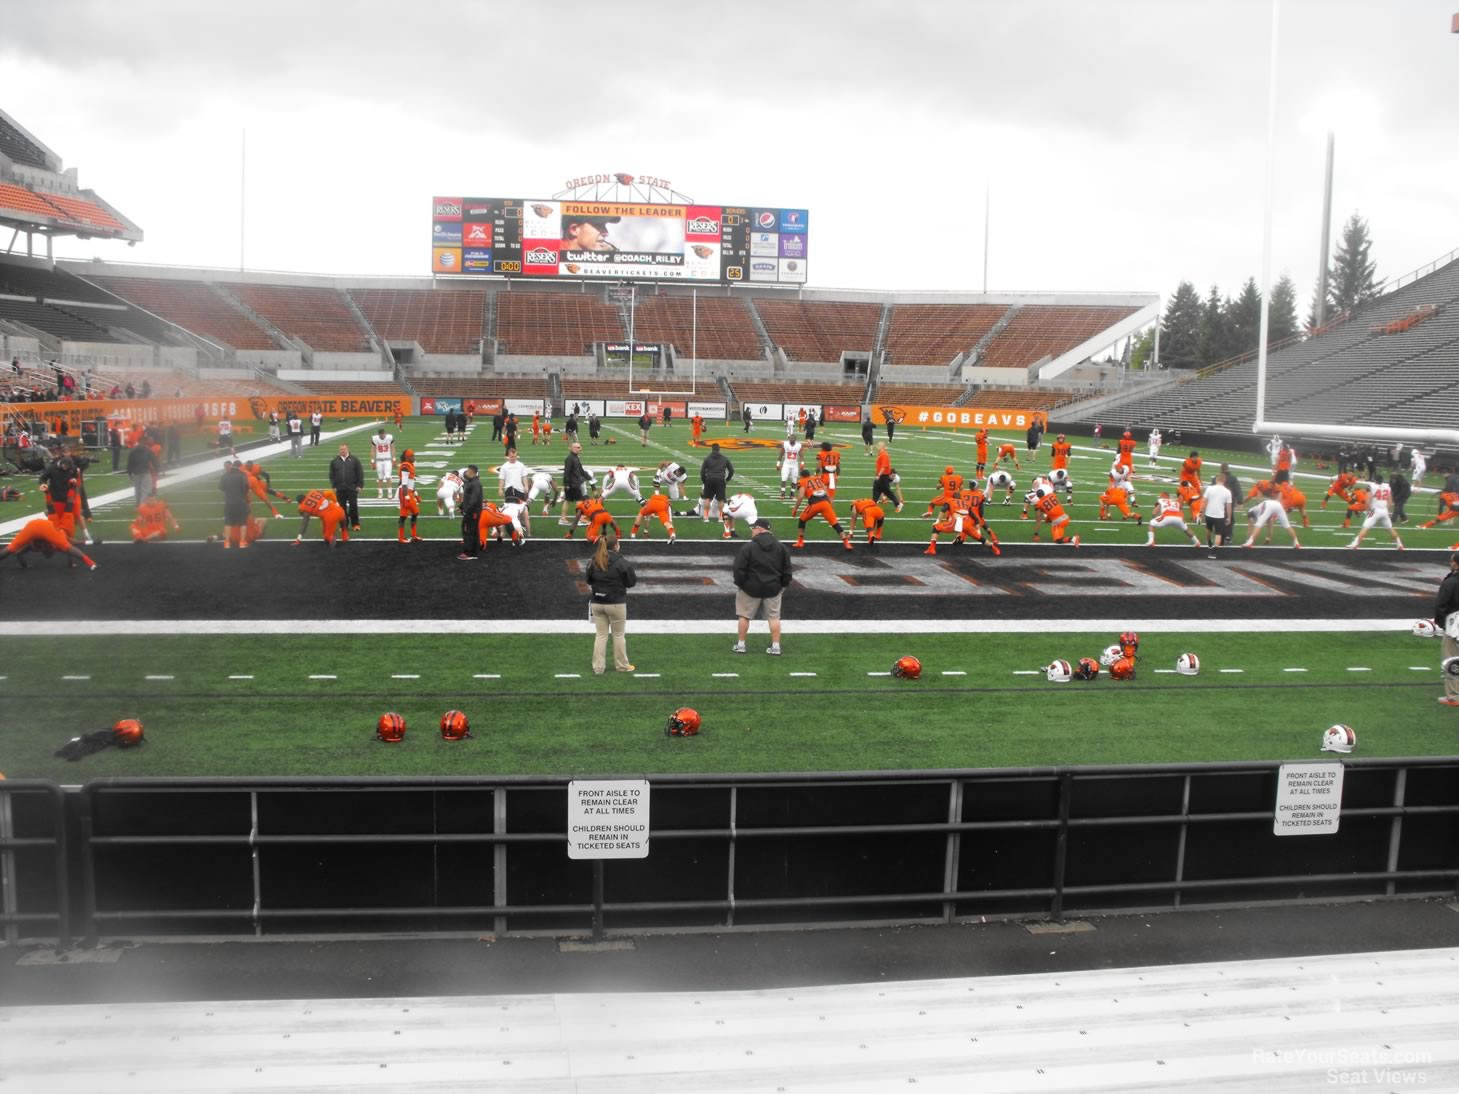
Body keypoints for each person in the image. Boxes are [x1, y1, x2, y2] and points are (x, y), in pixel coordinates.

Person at [732, 518, 792, 655]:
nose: (751, 531)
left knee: (744, 616)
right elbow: (787, 570)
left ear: (759, 529)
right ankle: (776, 647)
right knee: (774, 618)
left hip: (750, 588)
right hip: (773, 588)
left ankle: (741, 645)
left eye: (753, 528)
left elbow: (738, 569)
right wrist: (783, 585)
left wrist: (741, 584)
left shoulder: (748, 547)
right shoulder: (781, 547)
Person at [585, 531, 636, 673]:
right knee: (618, 635)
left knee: (601, 635)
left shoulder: (594, 559)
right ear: (616, 546)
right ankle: (621, 666)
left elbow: (588, 580)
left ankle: (598, 667)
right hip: (615, 603)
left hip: (597, 602)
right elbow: (631, 582)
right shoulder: (621, 562)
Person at [0, 516, 96, 570]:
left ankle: (89, 561)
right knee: (67, 547)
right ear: (51, 548)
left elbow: (18, 553)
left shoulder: (32, 546)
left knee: (10, 548)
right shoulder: (56, 543)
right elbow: (71, 546)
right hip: (44, 528)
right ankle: (89, 561)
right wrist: (73, 563)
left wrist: (24, 566)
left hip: (32, 526)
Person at [1348, 474, 1404, 550]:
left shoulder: (1372, 486)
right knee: (1390, 528)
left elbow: (1368, 500)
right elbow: (1390, 501)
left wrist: (1368, 510)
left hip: (1375, 511)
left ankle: (1354, 544)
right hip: (1384, 510)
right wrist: (1386, 510)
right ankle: (1399, 544)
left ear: (1375, 480)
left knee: (1365, 527)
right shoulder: (1387, 487)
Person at [1432, 552, 1459, 707]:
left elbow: (1440, 606)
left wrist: (1442, 624)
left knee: (1452, 660)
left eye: (1451, 561)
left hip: (1454, 625)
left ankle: (1454, 696)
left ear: (1455, 563)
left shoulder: (1451, 582)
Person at [330, 444, 364, 530]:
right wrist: (334, 485)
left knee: (353, 506)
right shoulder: (334, 461)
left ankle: (355, 524)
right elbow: (331, 475)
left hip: (352, 488)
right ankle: (343, 525)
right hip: (340, 489)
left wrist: (360, 485)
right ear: (339, 450)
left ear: (347, 449)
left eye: (344, 449)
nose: (342, 451)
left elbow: (360, 473)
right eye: (341, 449)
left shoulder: (354, 460)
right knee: (341, 508)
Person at [698, 443, 734, 521]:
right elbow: (731, 470)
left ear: (712, 449)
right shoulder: (725, 458)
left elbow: (702, 472)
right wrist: (727, 479)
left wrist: (705, 481)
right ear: (719, 449)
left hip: (709, 479)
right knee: (720, 499)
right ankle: (720, 517)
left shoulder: (707, 458)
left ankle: (706, 517)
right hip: (720, 480)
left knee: (707, 498)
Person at [220, 460, 251, 548]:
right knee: (243, 522)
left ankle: (227, 542)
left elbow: (221, 487)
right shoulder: (242, 475)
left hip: (229, 502)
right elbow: (246, 486)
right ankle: (242, 542)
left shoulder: (224, 476)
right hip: (241, 502)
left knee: (228, 522)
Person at [561, 441, 594, 524]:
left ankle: (562, 518)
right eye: (578, 447)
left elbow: (581, 471)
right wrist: (567, 484)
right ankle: (580, 519)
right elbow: (566, 472)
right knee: (579, 501)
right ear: (573, 448)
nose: (580, 449)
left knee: (567, 500)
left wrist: (590, 478)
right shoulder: (570, 458)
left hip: (574, 483)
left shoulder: (575, 458)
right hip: (573, 484)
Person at [1201, 473, 1232, 548]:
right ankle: (1213, 553)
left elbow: (1204, 501)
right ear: (1224, 480)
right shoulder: (1227, 491)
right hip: (1219, 515)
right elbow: (1229, 506)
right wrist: (1229, 517)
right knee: (1218, 534)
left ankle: (1209, 542)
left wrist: (1201, 512)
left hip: (1209, 513)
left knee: (1208, 529)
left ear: (1216, 479)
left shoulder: (1209, 488)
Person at [458, 465, 483, 560]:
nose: (466, 473)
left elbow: (474, 499)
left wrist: (466, 511)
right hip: (471, 511)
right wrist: (461, 506)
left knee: (469, 531)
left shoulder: (475, 483)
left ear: (472, 472)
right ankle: (474, 552)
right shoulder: (471, 482)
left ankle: (469, 553)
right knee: (473, 531)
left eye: (467, 471)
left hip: (472, 512)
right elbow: (467, 498)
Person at [127, 439, 158, 505]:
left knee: (137, 490)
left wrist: (129, 473)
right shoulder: (148, 450)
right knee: (146, 489)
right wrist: (156, 469)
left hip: (136, 472)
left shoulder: (133, 451)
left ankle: (138, 504)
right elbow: (154, 460)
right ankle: (142, 504)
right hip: (146, 472)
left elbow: (130, 463)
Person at [370, 426, 396, 498]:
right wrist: (372, 461)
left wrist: (394, 459)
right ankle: (380, 493)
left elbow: (393, 449)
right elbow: (373, 450)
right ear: (379, 434)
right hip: (379, 460)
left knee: (388, 476)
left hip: (387, 459)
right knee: (380, 477)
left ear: (385, 433)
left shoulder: (389, 438)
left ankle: (390, 492)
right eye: (381, 434)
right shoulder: (375, 439)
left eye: (383, 434)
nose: (382, 436)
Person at [777, 433, 803, 499]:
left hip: (794, 465)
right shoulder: (785, 444)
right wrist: (778, 464)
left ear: (795, 439)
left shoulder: (798, 445)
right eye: (790, 438)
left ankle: (792, 494)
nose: (791, 439)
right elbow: (781, 454)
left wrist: (802, 462)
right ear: (788, 439)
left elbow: (801, 455)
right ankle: (782, 493)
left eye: (793, 438)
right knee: (784, 479)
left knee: (794, 480)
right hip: (786, 464)